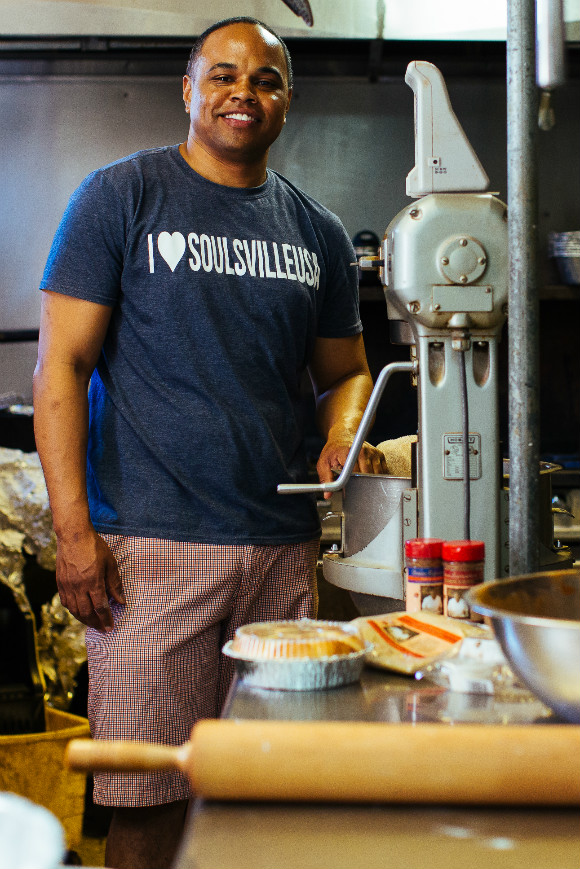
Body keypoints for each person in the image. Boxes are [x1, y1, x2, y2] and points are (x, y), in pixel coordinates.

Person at [33, 17, 387, 869]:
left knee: (265, 797)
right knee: (150, 803)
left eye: (265, 80)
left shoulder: (320, 233)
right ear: (188, 90)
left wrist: (344, 435)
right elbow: (61, 367)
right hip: (150, 551)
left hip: (280, 550)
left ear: (286, 103)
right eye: (224, 75)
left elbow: (347, 372)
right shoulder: (121, 196)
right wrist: (73, 533)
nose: (244, 92)